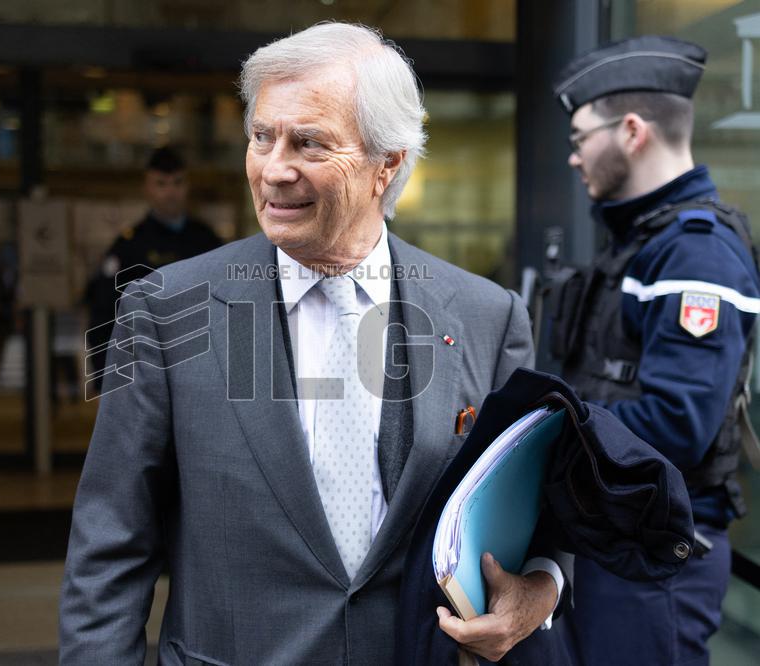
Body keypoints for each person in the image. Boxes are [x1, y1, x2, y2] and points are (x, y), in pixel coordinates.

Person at [61, 22, 564, 664]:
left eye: (308, 143)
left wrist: (541, 587)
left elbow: (536, 504)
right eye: (262, 137)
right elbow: (111, 541)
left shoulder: (486, 318)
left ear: (388, 165)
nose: (274, 170)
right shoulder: (166, 309)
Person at [548, 35, 760, 665]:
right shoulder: (641, 243)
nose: (574, 157)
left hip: (658, 556)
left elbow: (677, 425)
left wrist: (546, 424)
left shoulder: (695, 252)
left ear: (632, 131)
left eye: (581, 137)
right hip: (621, 540)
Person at [83, 146, 222, 391]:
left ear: (187, 186)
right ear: (146, 188)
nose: (170, 192)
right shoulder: (130, 247)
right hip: (146, 370)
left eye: (177, 183)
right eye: (161, 184)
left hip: (201, 368)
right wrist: (106, 379)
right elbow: (104, 314)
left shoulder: (206, 240)